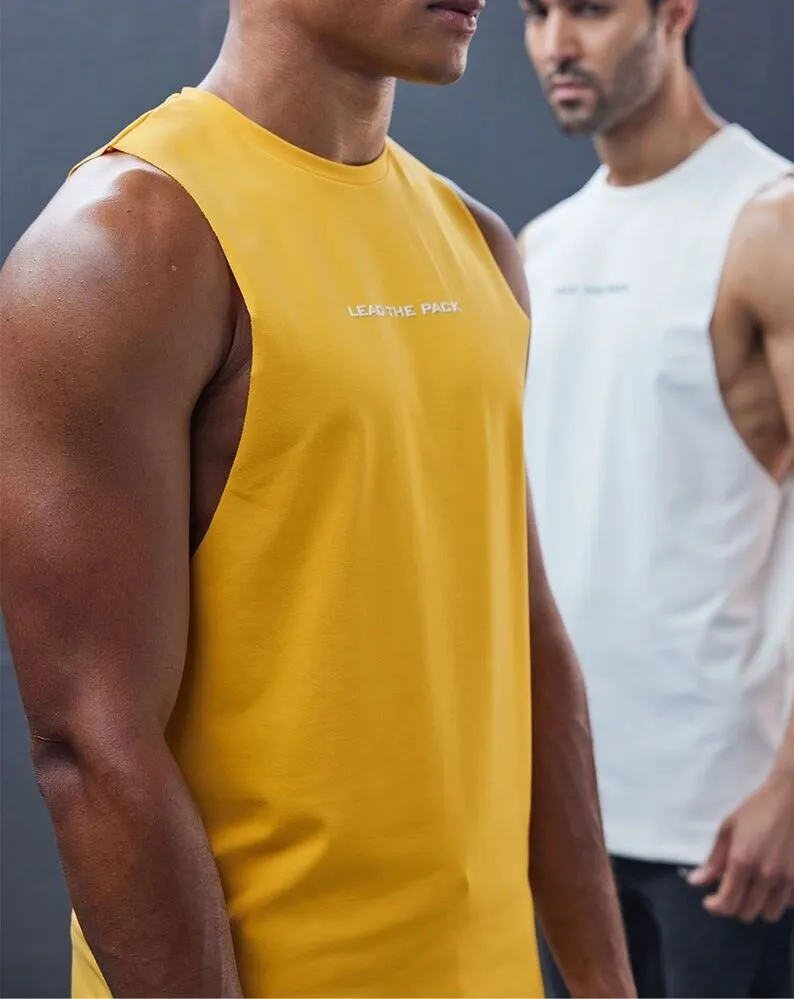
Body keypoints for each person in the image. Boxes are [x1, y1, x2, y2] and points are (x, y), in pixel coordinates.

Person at [0, 1, 639, 997]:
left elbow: (527, 641)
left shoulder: (479, 245)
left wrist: (604, 981)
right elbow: (91, 742)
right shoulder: (121, 248)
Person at [518, 0, 794, 995]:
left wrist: (792, 789)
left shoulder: (770, 224)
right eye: (535, 11)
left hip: (722, 833)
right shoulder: (537, 251)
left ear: (672, 13)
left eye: (589, 9)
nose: (556, 42)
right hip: (563, 813)